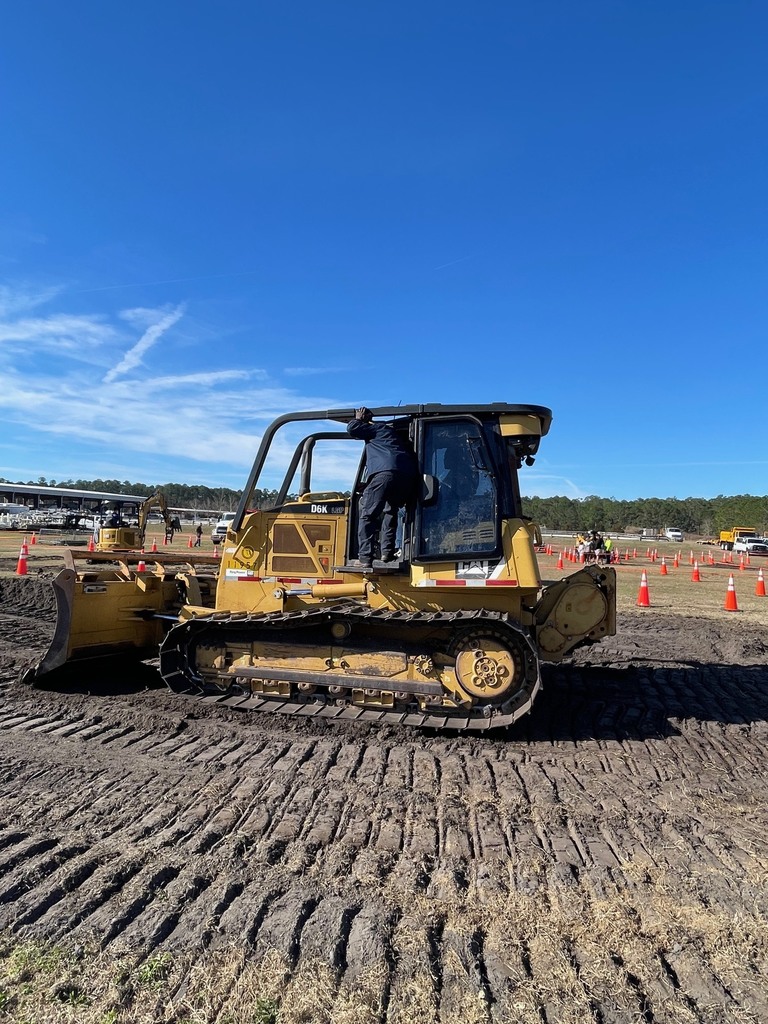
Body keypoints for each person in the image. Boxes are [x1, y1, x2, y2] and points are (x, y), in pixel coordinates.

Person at [347, 407, 420, 568]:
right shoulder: (401, 442)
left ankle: (365, 558)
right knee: (391, 511)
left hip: (385, 474)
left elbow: (352, 428)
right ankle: (387, 552)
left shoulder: (379, 428)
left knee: (368, 515)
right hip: (405, 478)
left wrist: (359, 419)